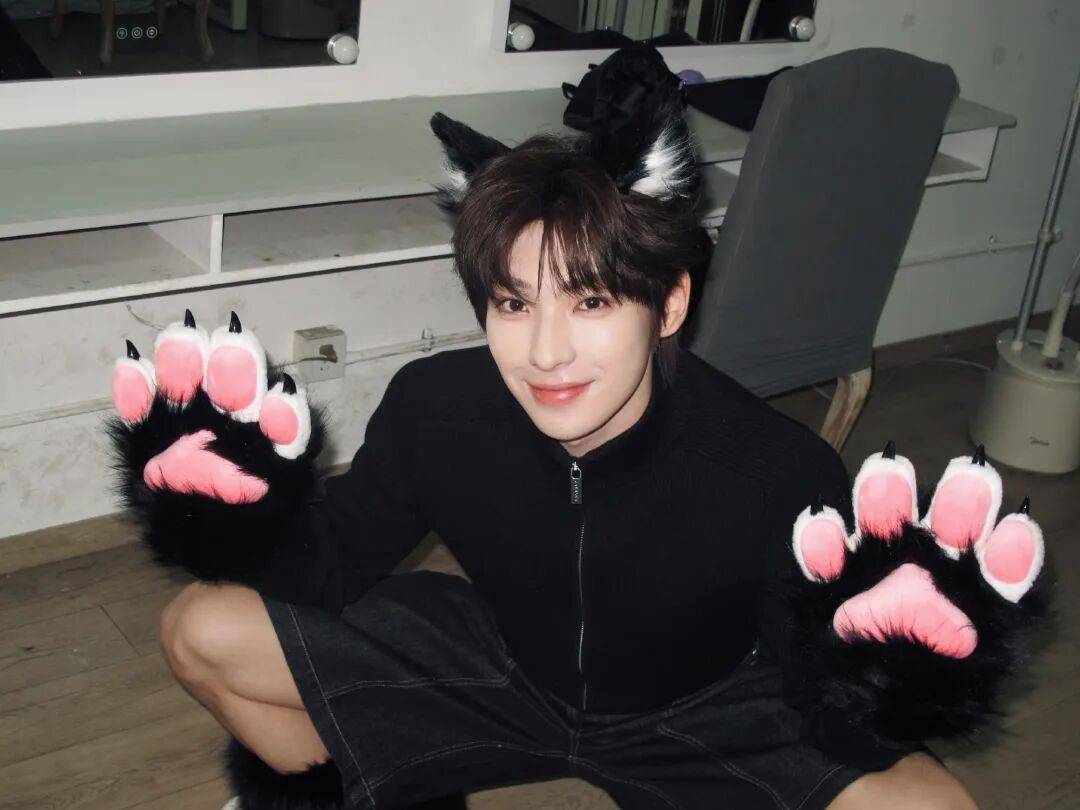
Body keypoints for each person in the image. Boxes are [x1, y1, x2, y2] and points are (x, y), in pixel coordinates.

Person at [107, 98, 1003, 810]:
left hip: (701, 707)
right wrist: (236, 516)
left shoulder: (779, 472)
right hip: (503, 671)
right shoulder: (436, 410)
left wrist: (887, 681)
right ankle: (368, 791)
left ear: (670, 302)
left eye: (591, 302)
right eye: (513, 303)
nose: (545, 353)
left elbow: (818, 708)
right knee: (202, 628)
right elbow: (329, 567)